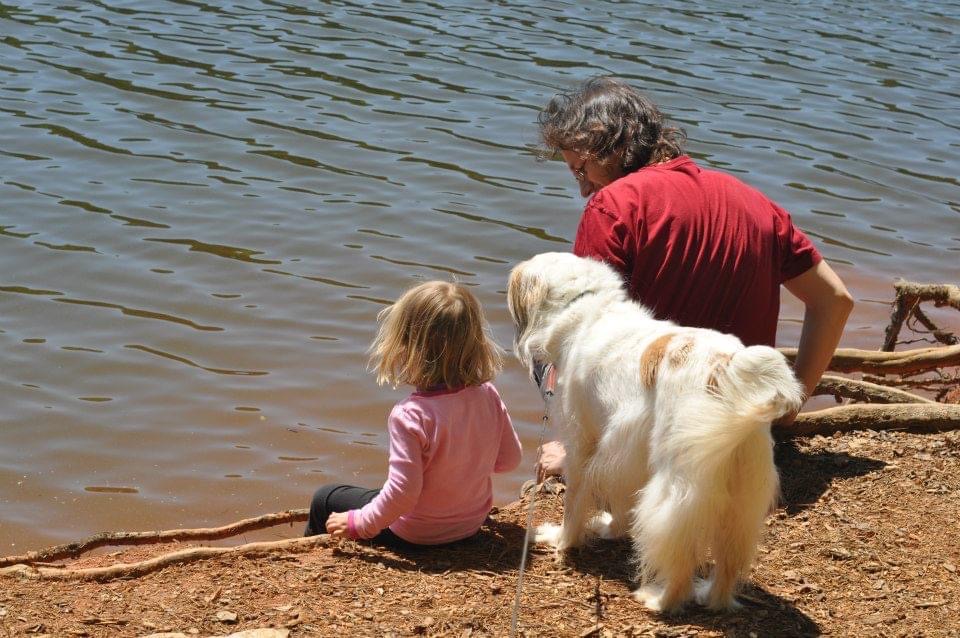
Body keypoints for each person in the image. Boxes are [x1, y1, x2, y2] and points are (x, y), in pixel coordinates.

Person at [534, 76, 854, 480]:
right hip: (740, 434)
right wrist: (789, 408)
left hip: (655, 441)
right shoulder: (756, 202)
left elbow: (585, 341)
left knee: (544, 344)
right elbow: (835, 300)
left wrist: (579, 453)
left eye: (581, 170)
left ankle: (584, 454)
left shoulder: (613, 206)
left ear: (608, 141)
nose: (584, 189)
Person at [304, 281, 522, 546]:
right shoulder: (488, 394)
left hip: (417, 535)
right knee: (380, 493)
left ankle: (311, 556)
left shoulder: (410, 415)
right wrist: (463, 471)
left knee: (325, 498)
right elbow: (510, 460)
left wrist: (359, 523)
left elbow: (403, 493)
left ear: (407, 346)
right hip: (470, 522)